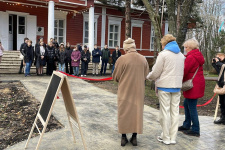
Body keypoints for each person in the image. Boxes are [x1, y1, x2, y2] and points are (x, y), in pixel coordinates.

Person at [147, 34, 185, 145]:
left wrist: (148, 77)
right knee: (175, 112)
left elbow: (156, 71)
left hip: (164, 86)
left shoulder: (163, 55)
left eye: (162, 44)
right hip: (177, 87)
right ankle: (172, 138)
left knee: (165, 112)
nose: (162, 46)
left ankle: (166, 138)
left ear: (165, 43)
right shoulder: (181, 55)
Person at [112, 38, 149, 147]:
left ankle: (123, 137)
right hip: (138, 91)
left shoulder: (121, 59)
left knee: (124, 112)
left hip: (125, 90)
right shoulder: (143, 59)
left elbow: (115, 76)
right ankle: (134, 137)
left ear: (125, 48)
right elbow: (146, 75)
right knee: (137, 113)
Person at [178, 39, 205, 137]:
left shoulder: (191, 57)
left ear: (190, 47)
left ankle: (195, 129)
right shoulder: (197, 55)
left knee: (192, 107)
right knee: (186, 103)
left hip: (193, 85)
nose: (185, 49)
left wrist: (178, 79)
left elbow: (184, 70)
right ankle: (186, 124)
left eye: (186, 47)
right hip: (197, 84)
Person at [212, 53, 225, 124]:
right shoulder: (221, 64)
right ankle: (223, 118)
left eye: (220, 56)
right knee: (222, 103)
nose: (219, 57)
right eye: (217, 56)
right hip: (221, 85)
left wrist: (218, 62)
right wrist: (214, 64)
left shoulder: (222, 64)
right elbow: (220, 72)